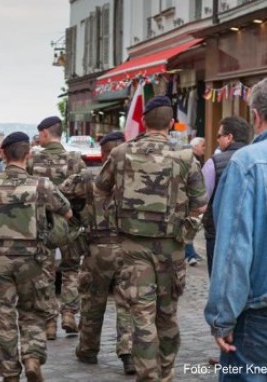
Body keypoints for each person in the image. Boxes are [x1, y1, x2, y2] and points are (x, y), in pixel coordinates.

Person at [95, 96, 207, 381]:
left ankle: (148, 375)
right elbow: (200, 203)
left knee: (142, 314)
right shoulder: (184, 157)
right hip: (171, 247)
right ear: (171, 123)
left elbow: (101, 190)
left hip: (132, 245)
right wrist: (187, 232)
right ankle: (166, 372)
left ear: (144, 121)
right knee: (167, 313)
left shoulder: (120, 153)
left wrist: (113, 219)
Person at [204, 77, 267, 379]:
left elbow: (233, 248)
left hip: (263, 311)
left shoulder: (247, 162)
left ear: (257, 116)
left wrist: (222, 318)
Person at [0, 131, 72, 382]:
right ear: (28, 155)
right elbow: (66, 213)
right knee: (34, 313)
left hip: (1, 261)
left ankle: (10, 374)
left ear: (3, 155)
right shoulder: (41, 185)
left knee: (3, 317)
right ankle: (32, 358)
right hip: (34, 261)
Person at [60, 131, 135, 375]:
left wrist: (78, 214)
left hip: (97, 249)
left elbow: (60, 195)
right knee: (128, 303)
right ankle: (128, 352)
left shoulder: (86, 178)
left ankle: (88, 349)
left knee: (93, 301)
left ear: (104, 154)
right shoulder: (136, 177)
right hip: (129, 247)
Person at [27, 116, 86, 340]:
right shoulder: (75, 159)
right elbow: (84, 190)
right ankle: (69, 314)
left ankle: (49, 323)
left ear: (45, 133)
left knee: (45, 272)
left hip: (42, 223)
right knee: (71, 269)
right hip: (69, 221)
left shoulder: (34, 160)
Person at [200, 116, 252, 277]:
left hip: (218, 233)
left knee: (219, 280)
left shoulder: (214, 163)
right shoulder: (258, 159)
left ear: (229, 137)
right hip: (250, 233)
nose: (216, 140)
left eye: (219, 136)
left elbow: (201, 202)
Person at [184, 136, 207, 266]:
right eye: (202, 146)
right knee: (190, 226)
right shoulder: (190, 159)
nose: (204, 148)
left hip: (191, 199)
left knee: (191, 227)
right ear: (195, 146)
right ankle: (189, 254)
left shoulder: (196, 158)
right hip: (190, 199)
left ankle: (190, 252)